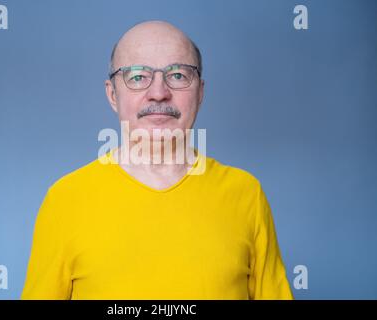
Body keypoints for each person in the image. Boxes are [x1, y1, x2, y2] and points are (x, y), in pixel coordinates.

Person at [21, 20, 294, 300]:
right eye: (137, 77)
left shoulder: (246, 194)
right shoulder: (65, 200)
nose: (159, 92)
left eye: (177, 75)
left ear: (200, 92)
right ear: (112, 94)